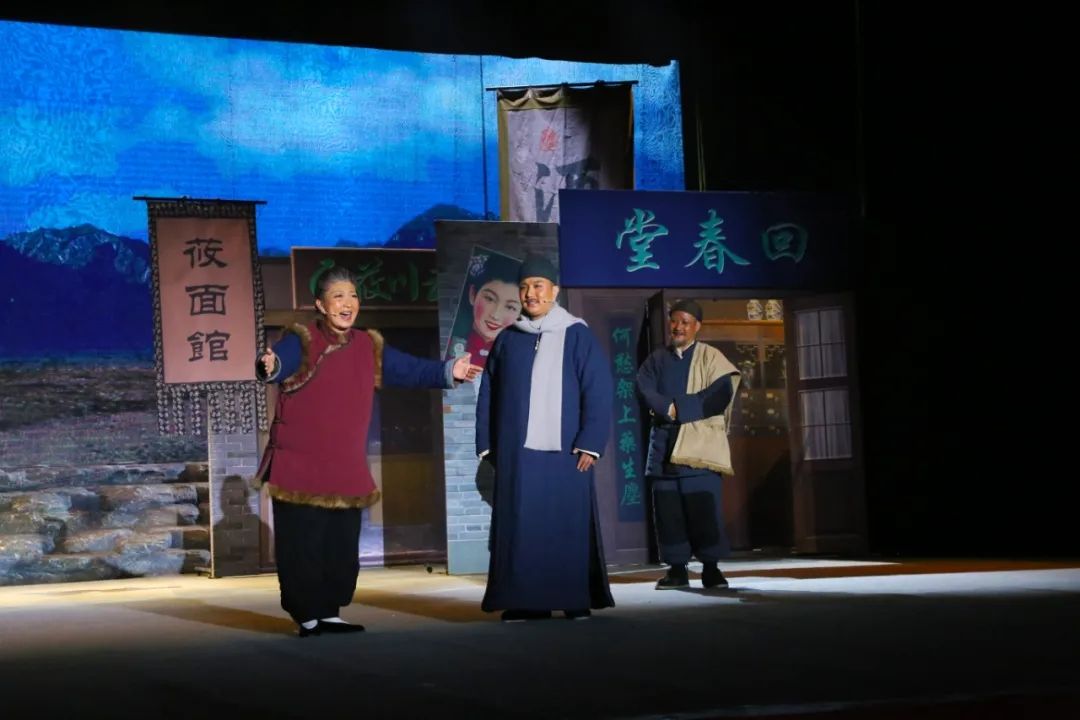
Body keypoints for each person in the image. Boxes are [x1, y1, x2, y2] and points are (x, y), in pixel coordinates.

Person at [256, 266, 480, 637]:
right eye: (338, 296)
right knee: (303, 544)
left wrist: (448, 370)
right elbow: (279, 362)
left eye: (353, 295)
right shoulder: (302, 338)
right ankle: (307, 614)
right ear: (321, 305)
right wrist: (271, 365)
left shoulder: (367, 345)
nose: (348, 303)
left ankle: (329, 611)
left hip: (345, 468)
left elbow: (408, 369)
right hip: (300, 467)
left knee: (341, 548)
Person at [476, 254, 614, 621]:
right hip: (518, 454)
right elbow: (488, 391)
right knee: (522, 529)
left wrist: (590, 443)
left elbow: (598, 390)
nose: (530, 294)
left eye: (538, 286)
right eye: (524, 287)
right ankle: (525, 601)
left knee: (566, 527)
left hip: (566, 453)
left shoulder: (577, 335)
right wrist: (487, 444)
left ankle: (573, 598)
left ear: (555, 290)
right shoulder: (509, 338)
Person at [635, 300, 741, 590]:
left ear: (697, 326)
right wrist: (665, 408)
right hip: (664, 446)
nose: (678, 327)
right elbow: (644, 388)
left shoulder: (711, 357)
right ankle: (676, 568)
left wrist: (678, 409)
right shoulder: (657, 359)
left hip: (699, 449)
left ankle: (711, 568)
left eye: (685, 322)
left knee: (704, 512)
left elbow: (720, 394)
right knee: (668, 513)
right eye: (674, 321)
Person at [445, 250, 522, 370]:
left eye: (510, 307)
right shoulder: (448, 344)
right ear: (472, 294)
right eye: (490, 299)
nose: (495, 315)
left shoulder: (520, 356)